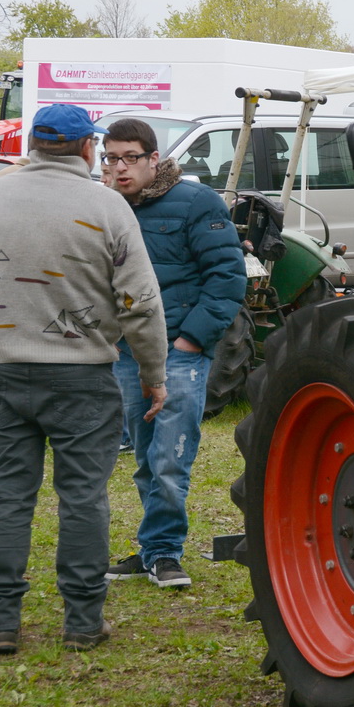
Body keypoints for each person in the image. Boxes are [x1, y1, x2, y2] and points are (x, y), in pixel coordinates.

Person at [0, 105, 168, 655]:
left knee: (7, 497)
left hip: (5, 374)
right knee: (83, 498)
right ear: (88, 148)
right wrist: (153, 375)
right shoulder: (108, 206)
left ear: (35, 145)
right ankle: (83, 622)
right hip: (83, 378)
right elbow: (140, 301)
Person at [101, 117, 247, 591]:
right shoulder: (106, 206)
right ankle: (152, 549)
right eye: (110, 158)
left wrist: (190, 341)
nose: (119, 168)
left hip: (179, 352)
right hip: (127, 351)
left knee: (169, 457)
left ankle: (165, 553)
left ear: (153, 159)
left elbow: (226, 276)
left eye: (130, 158)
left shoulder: (196, 202)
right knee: (145, 455)